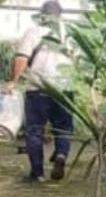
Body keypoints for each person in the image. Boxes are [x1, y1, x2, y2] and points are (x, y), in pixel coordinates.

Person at [7, 1, 73, 182]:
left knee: (35, 131)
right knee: (64, 128)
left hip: (37, 88)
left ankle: (38, 174)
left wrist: (14, 81)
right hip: (65, 89)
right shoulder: (70, 34)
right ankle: (61, 155)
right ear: (60, 15)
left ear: (42, 15)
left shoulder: (33, 32)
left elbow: (22, 58)